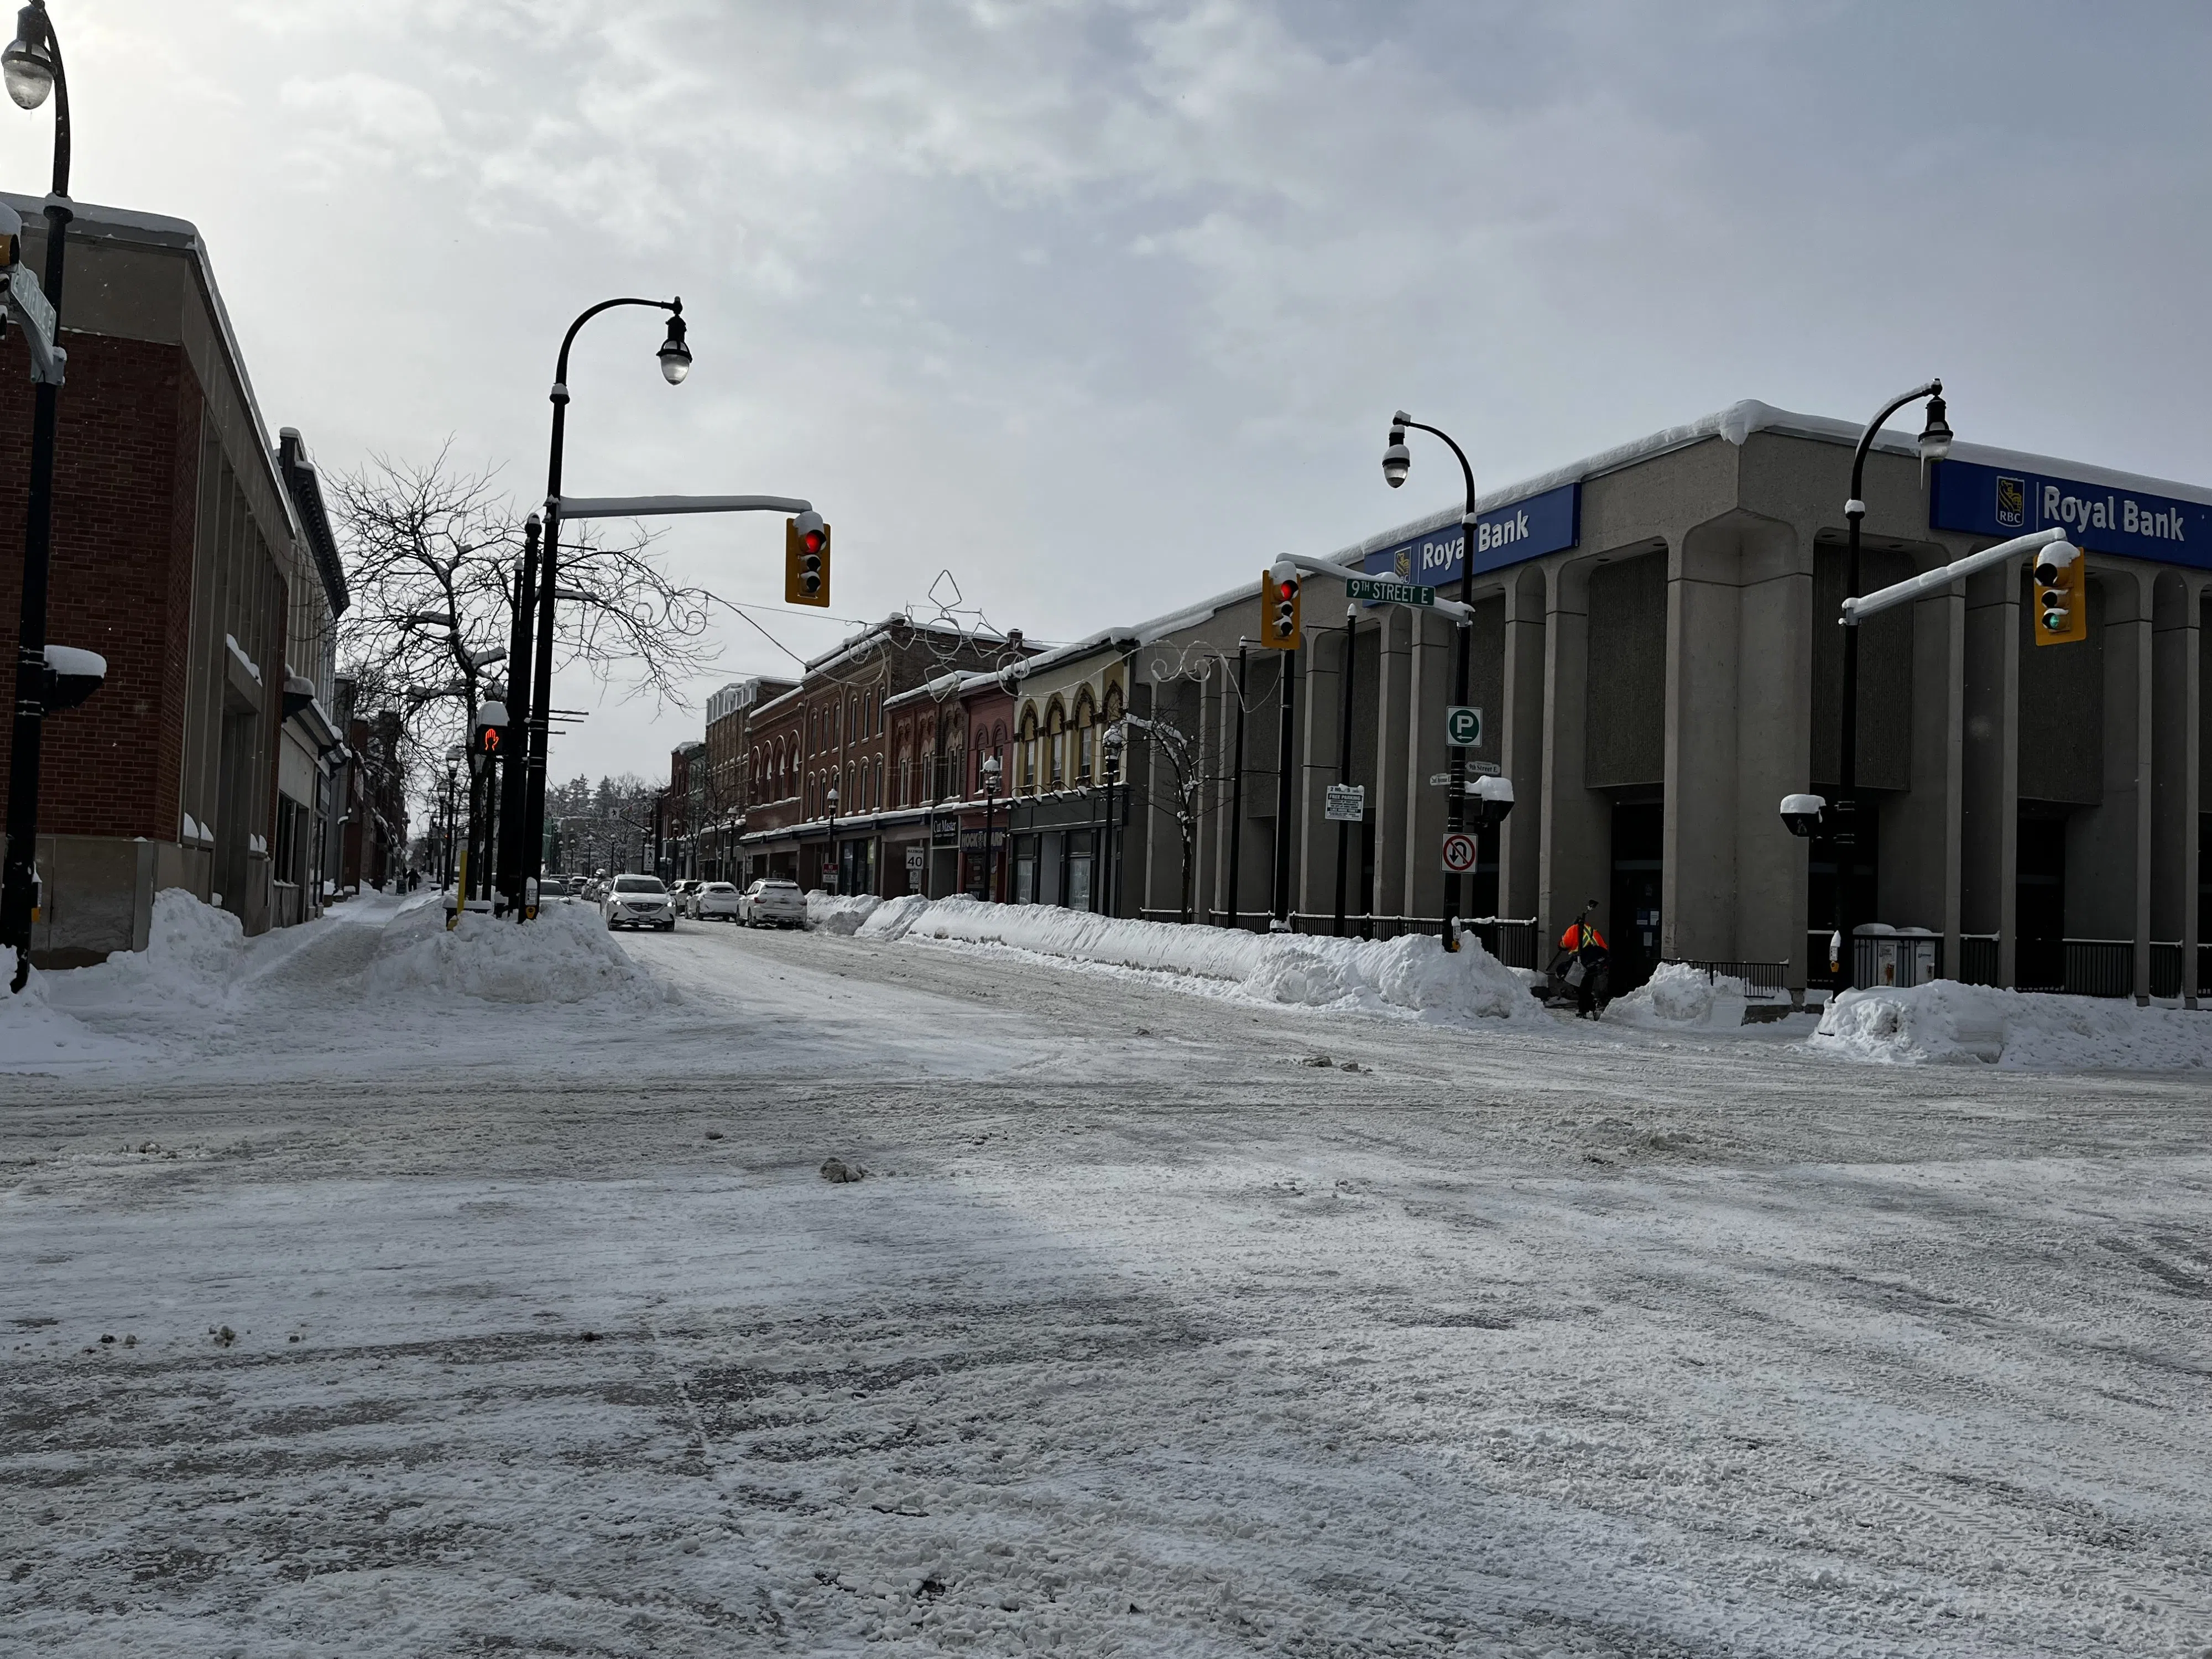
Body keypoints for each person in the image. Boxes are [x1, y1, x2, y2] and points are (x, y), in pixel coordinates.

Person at [1557, 898, 1609, 1018]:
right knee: (1587, 985)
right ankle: (1589, 1007)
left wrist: (1562, 945)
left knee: (1579, 986)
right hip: (1592, 963)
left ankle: (1586, 1008)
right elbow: (1603, 947)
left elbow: (1564, 944)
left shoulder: (1573, 930)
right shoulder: (1591, 931)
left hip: (1579, 962)